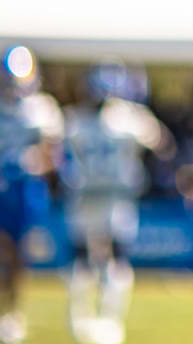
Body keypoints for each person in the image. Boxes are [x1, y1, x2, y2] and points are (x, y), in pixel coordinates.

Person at [60, 62, 173, 344]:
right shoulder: (130, 120)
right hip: (113, 195)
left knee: (85, 260)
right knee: (113, 260)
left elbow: (57, 151)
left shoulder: (75, 121)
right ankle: (107, 321)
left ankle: (83, 320)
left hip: (91, 195)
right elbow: (163, 144)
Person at [0, 46, 63, 344]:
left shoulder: (41, 109)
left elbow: (54, 153)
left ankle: (12, 311)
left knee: (17, 254)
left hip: (24, 188)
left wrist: (38, 161)